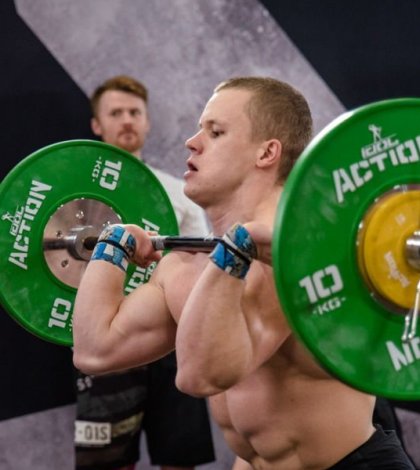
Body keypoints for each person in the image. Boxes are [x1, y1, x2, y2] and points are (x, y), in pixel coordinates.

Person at [72, 76, 414, 469]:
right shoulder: (185, 264)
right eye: (200, 129)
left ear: (267, 152)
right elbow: (95, 349)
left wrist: (233, 252)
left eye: (215, 132)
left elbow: (202, 376)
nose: (192, 141)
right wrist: (112, 244)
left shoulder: (302, 253)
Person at [74, 75, 215, 470]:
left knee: (179, 459)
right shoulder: (72, 197)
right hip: (109, 342)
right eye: (115, 113)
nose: (127, 120)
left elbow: (200, 269)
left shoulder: (178, 191)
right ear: (97, 125)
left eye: (135, 112)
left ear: (147, 122)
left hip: (170, 343)